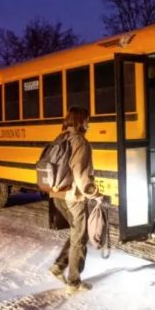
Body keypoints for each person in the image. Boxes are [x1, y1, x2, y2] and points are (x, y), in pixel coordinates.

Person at [48, 106, 104, 295]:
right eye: (87, 120)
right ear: (81, 121)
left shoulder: (60, 137)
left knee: (75, 234)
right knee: (80, 238)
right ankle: (73, 282)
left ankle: (58, 266)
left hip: (57, 194)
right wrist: (95, 193)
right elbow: (81, 175)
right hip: (74, 197)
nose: (89, 124)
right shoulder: (80, 142)